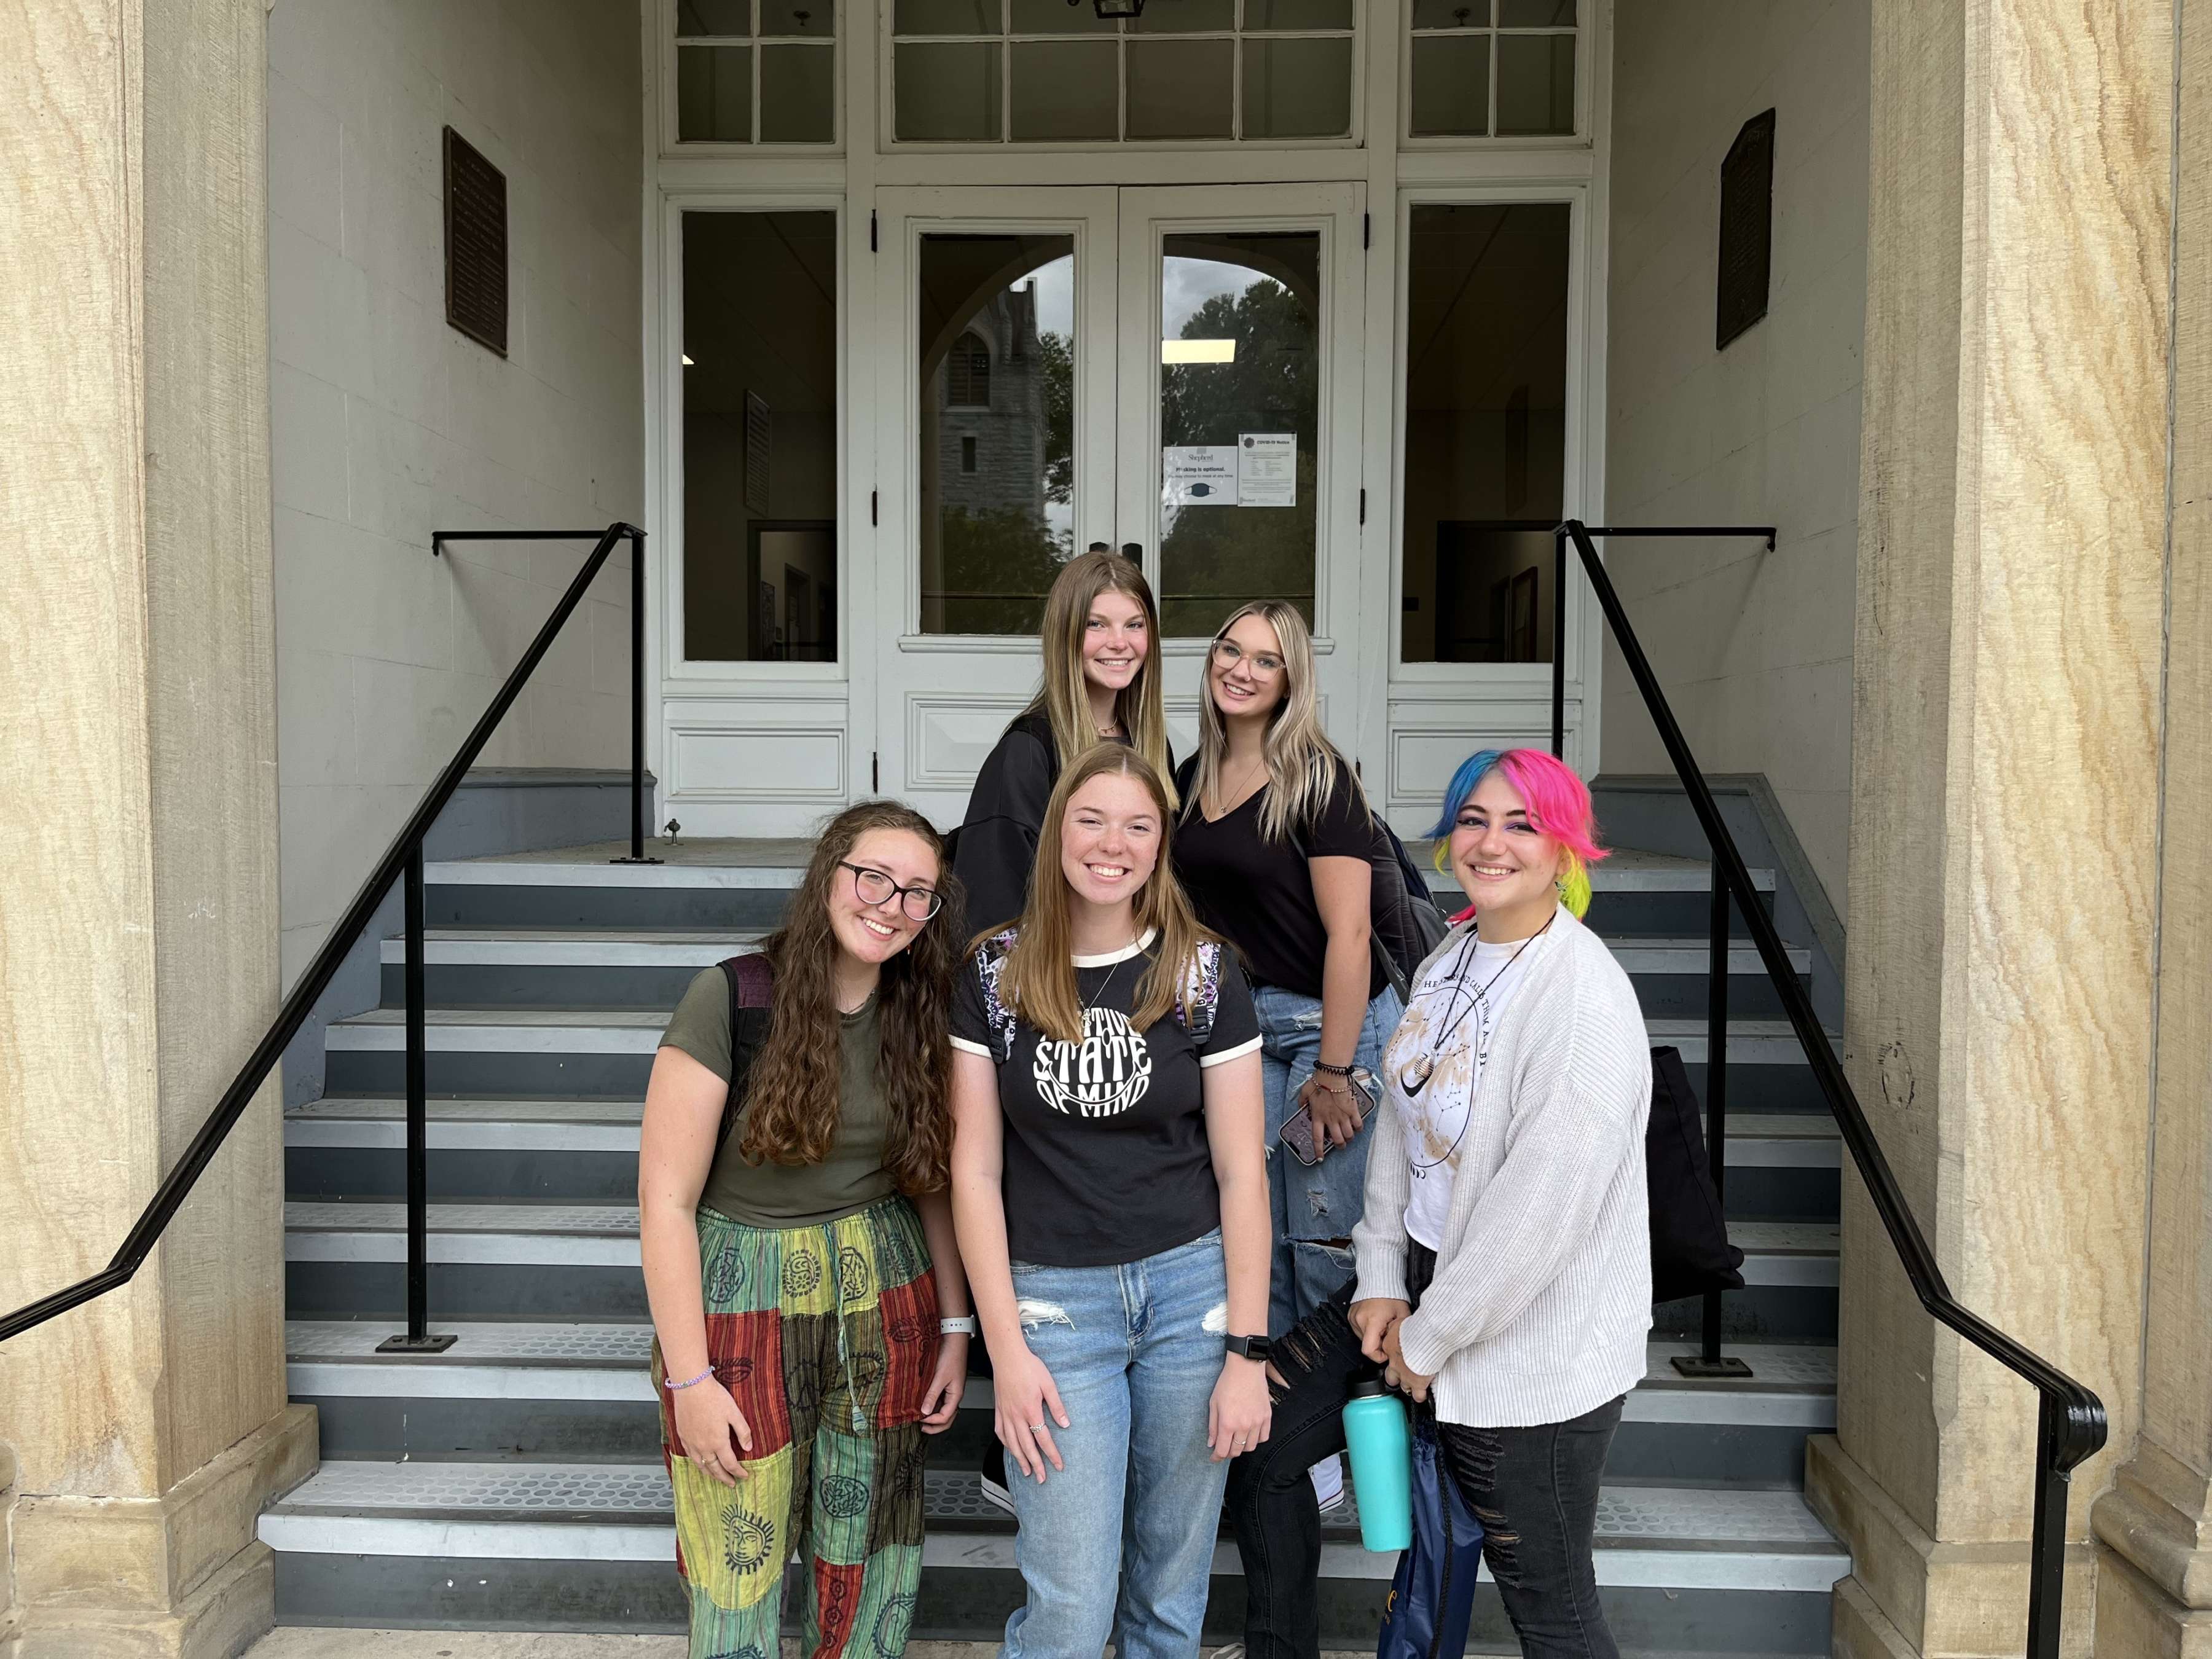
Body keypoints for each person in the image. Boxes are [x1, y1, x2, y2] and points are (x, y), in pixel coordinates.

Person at [1223, 748, 1652, 1659]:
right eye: (1474, 820)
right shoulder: (1454, 955)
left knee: (1553, 1610)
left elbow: (1541, 1213)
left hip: (1531, 1343)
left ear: (1568, 846)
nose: (1491, 844)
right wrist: (1379, 1278)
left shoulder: (1582, 998)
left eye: (1522, 824)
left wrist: (1429, 1338)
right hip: (1414, 1288)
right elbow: (1400, 1128)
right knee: (1265, 1444)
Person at [947, 744, 1273, 1659]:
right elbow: (973, 1172)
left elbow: (1244, 1173)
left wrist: (1247, 1352)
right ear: (1056, 833)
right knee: (1071, 1606)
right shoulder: (994, 975)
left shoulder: (1204, 973)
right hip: (1053, 1306)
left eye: (1139, 825)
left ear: (1161, 844)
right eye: (1092, 819)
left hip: (1190, 1302)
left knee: (1169, 1598)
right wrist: (1002, 1347)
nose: (1113, 844)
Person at [639, 801, 974, 1659]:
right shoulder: (732, 995)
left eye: (917, 893)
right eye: (874, 878)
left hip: (884, 1295)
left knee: (871, 1556)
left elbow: (930, 1180)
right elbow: (665, 1203)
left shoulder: (921, 1014)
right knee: (736, 1555)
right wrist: (690, 1383)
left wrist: (954, 1326)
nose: (891, 905)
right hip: (738, 1305)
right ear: (831, 876)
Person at [1172, 601, 1405, 1382]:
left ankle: (1328, 1423)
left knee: (1323, 1235)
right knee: (1255, 1228)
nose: (1241, 669)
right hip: (1243, 1028)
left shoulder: (1319, 778)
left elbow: (1349, 934)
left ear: (1290, 679)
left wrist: (1335, 1072)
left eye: (1265, 660)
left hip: (1326, 1028)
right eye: (1229, 651)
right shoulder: (1192, 774)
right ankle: (1269, 1417)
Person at [953, 549, 1175, 935]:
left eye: (1135, 625)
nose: (1119, 642)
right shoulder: (1026, 753)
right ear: (1066, 633)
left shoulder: (1152, 748)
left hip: (1135, 970)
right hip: (1050, 976)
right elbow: (994, 913)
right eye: (1097, 624)